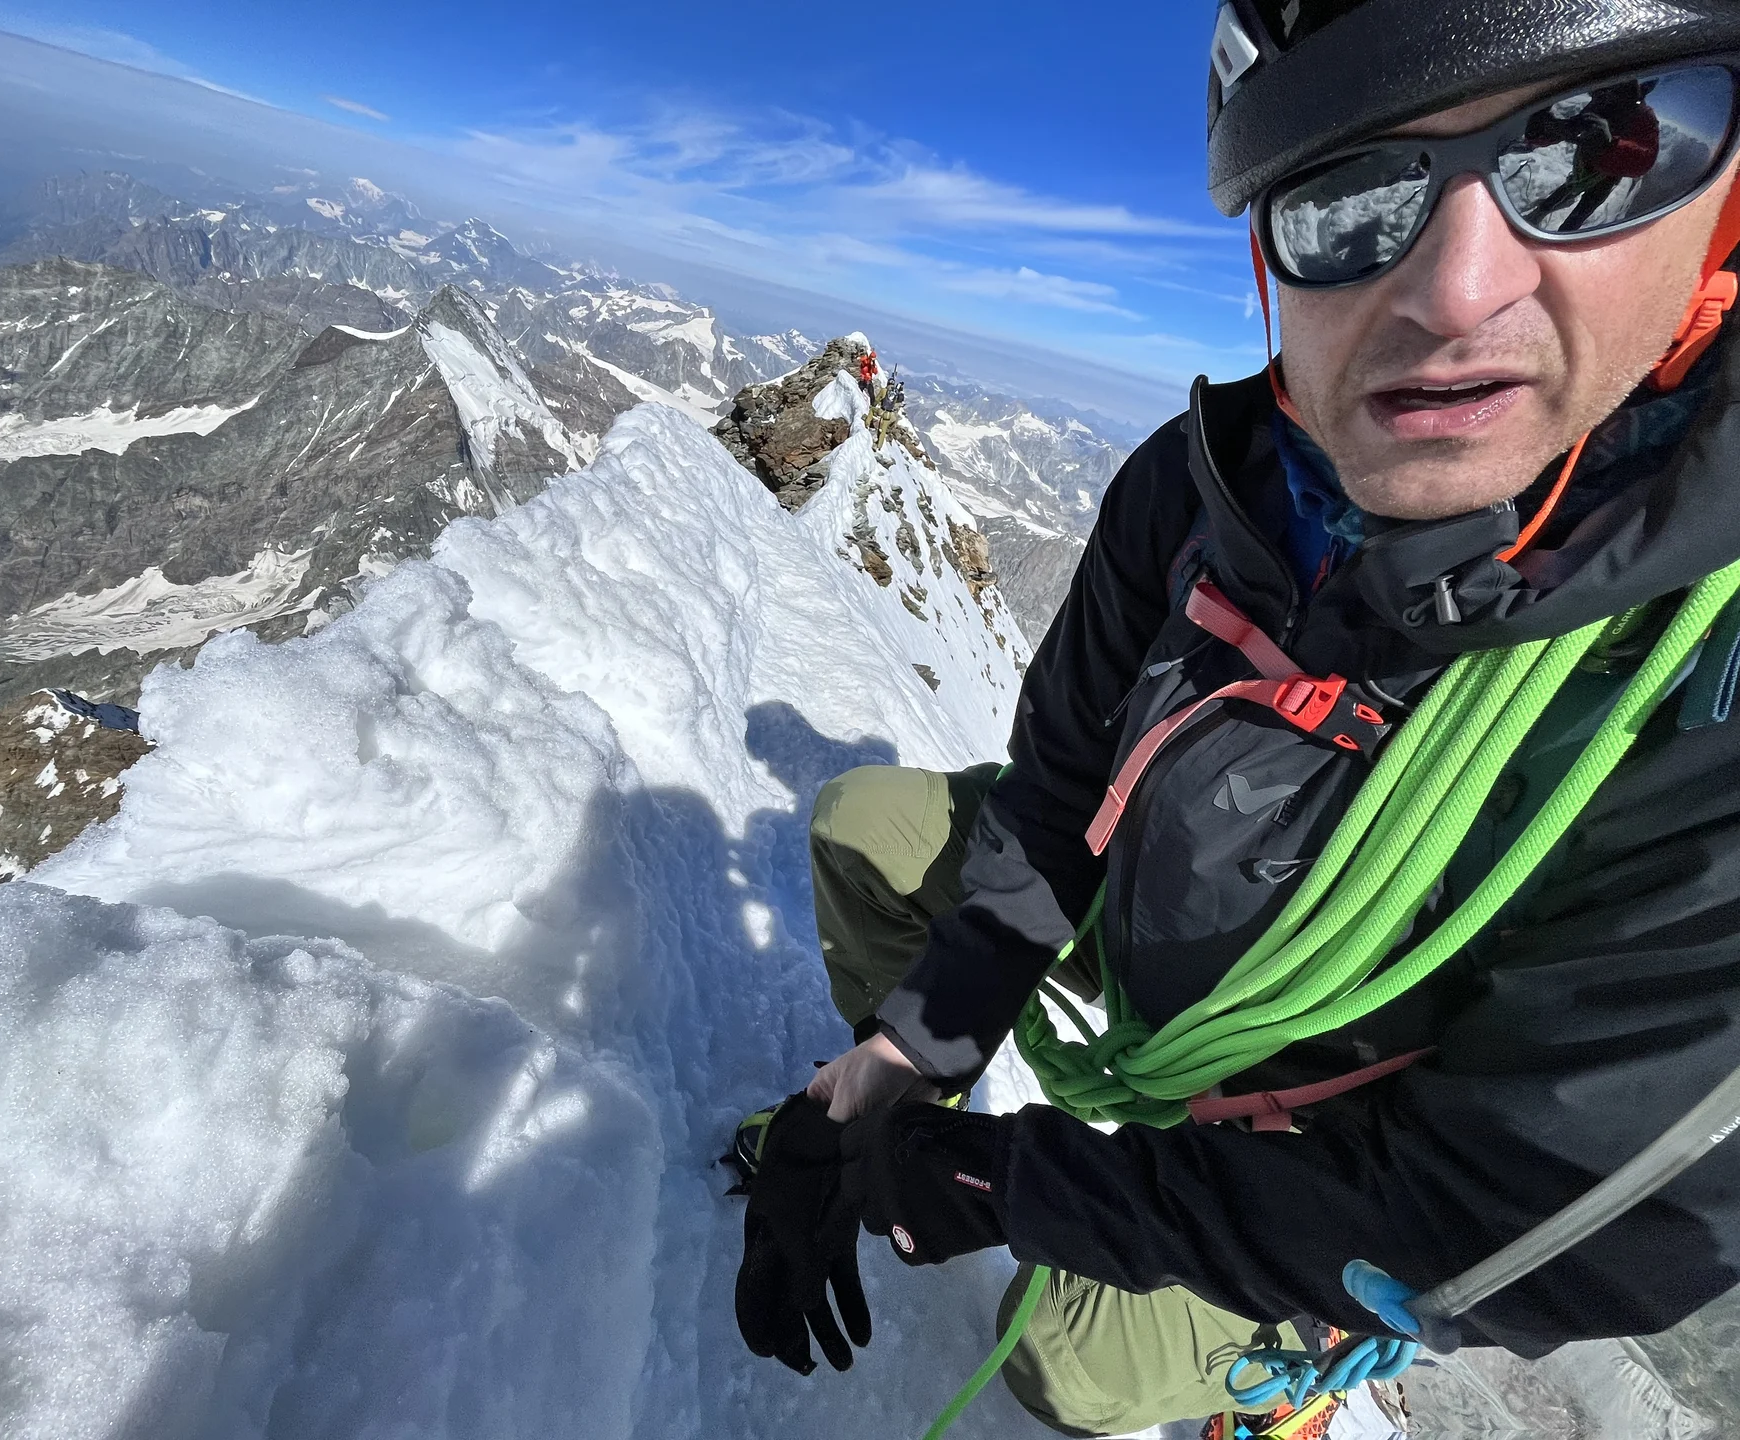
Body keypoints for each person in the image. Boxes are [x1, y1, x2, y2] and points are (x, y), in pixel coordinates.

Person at [732, 3, 1740, 1435]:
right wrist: (900, 1078)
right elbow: (1056, 789)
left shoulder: (1707, 667)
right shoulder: (1205, 486)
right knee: (866, 831)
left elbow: (1528, 1210)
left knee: (1067, 1363)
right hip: (1152, 942)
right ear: (1272, 254)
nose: (1459, 291)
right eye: (1352, 193)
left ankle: (1294, 1361)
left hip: (1338, 1132)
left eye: (1592, 154)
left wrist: (1018, 1191)